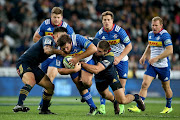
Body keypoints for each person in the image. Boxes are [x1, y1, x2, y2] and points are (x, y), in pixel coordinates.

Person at [80, 39, 145, 115]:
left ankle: (136, 97)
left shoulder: (110, 57)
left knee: (122, 100)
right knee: (104, 95)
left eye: (100, 51)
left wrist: (81, 63)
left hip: (111, 77)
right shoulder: (95, 44)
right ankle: (115, 101)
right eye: (97, 50)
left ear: (106, 52)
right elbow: (86, 39)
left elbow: (97, 69)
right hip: (99, 77)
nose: (96, 52)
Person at [13, 27, 66, 114]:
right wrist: (60, 52)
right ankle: (19, 104)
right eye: (63, 35)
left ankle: (44, 110)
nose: (65, 38)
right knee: (31, 81)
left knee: (50, 87)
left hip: (34, 66)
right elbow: (47, 50)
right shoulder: (48, 38)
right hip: (24, 63)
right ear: (56, 35)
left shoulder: (58, 46)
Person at [127, 16, 173, 113]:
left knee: (166, 87)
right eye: (152, 25)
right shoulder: (150, 34)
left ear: (161, 26)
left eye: (156, 25)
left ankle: (168, 106)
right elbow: (150, 45)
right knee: (144, 84)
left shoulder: (165, 35)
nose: (154, 27)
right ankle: (139, 106)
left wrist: (157, 58)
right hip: (152, 66)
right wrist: (144, 55)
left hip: (163, 67)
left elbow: (170, 50)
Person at [33, 7, 74, 109]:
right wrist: (46, 43)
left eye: (58, 17)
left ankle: (43, 104)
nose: (56, 19)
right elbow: (35, 38)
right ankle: (44, 102)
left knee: (50, 77)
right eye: (54, 17)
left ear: (62, 17)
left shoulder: (66, 27)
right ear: (51, 16)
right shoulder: (45, 24)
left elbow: (73, 42)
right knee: (44, 81)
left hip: (58, 56)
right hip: (46, 56)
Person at [94, 11, 132, 114]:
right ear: (102, 21)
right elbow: (95, 49)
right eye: (104, 20)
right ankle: (102, 107)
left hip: (121, 59)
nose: (106, 22)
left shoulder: (120, 31)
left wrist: (119, 58)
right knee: (104, 84)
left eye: (108, 20)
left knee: (121, 85)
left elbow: (129, 46)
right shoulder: (99, 34)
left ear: (112, 21)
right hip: (107, 60)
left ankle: (121, 106)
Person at [55, 27, 98, 115]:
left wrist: (77, 58)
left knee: (86, 82)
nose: (66, 50)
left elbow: (93, 49)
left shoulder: (77, 38)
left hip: (86, 60)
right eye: (63, 49)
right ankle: (93, 107)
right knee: (79, 85)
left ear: (71, 43)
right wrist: (73, 70)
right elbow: (59, 70)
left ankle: (87, 91)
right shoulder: (59, 50)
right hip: (73, 66)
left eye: (67, 47)